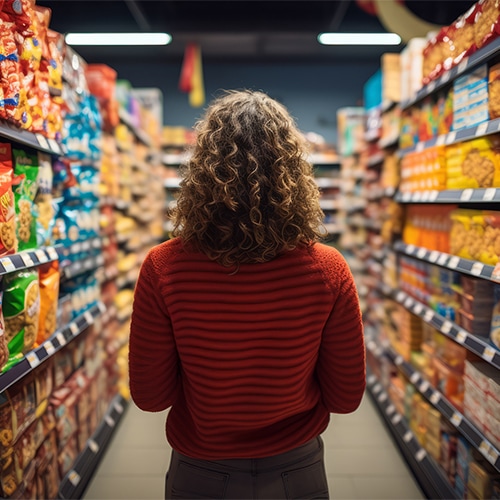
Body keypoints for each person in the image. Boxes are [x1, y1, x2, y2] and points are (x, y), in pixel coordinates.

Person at [128, 89, 366, 499]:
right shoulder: (328, 269)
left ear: (199, 172)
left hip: (200, 470)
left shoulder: (164, 267)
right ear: (294, 171)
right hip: (298, 470)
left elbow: (151, 397)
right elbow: (345, 397)